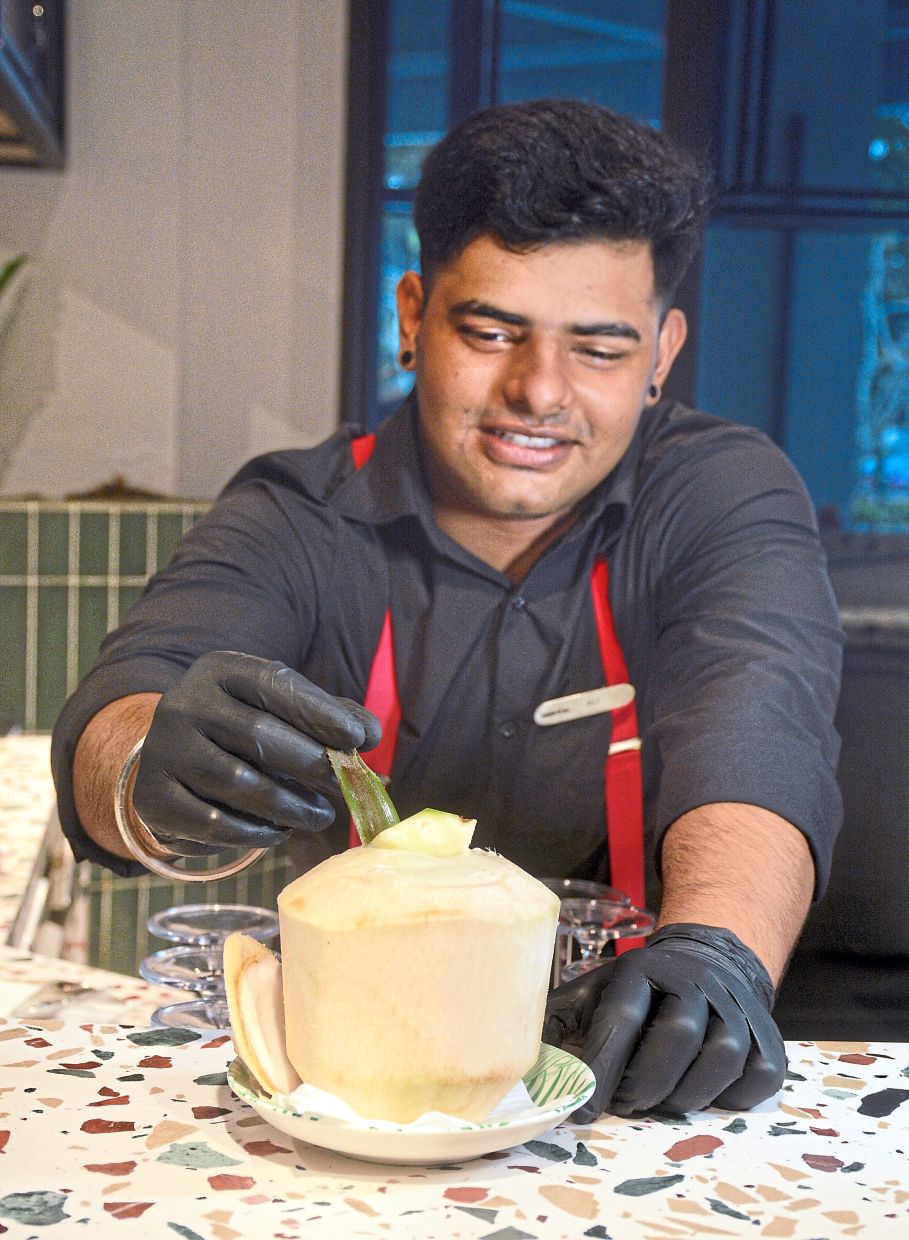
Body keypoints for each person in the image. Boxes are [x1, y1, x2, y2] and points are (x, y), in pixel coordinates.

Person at [52, 98, 843, 1121]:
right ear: (413, 316)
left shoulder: (718, 494)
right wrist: (146, 771)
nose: (538, 391)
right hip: (357, 1087)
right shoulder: (298, 513)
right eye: (491, 331)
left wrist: (716, 951)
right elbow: (123, 709)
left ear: (660, 354)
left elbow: (759, 728)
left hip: (638, 1070)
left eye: (599, 349)